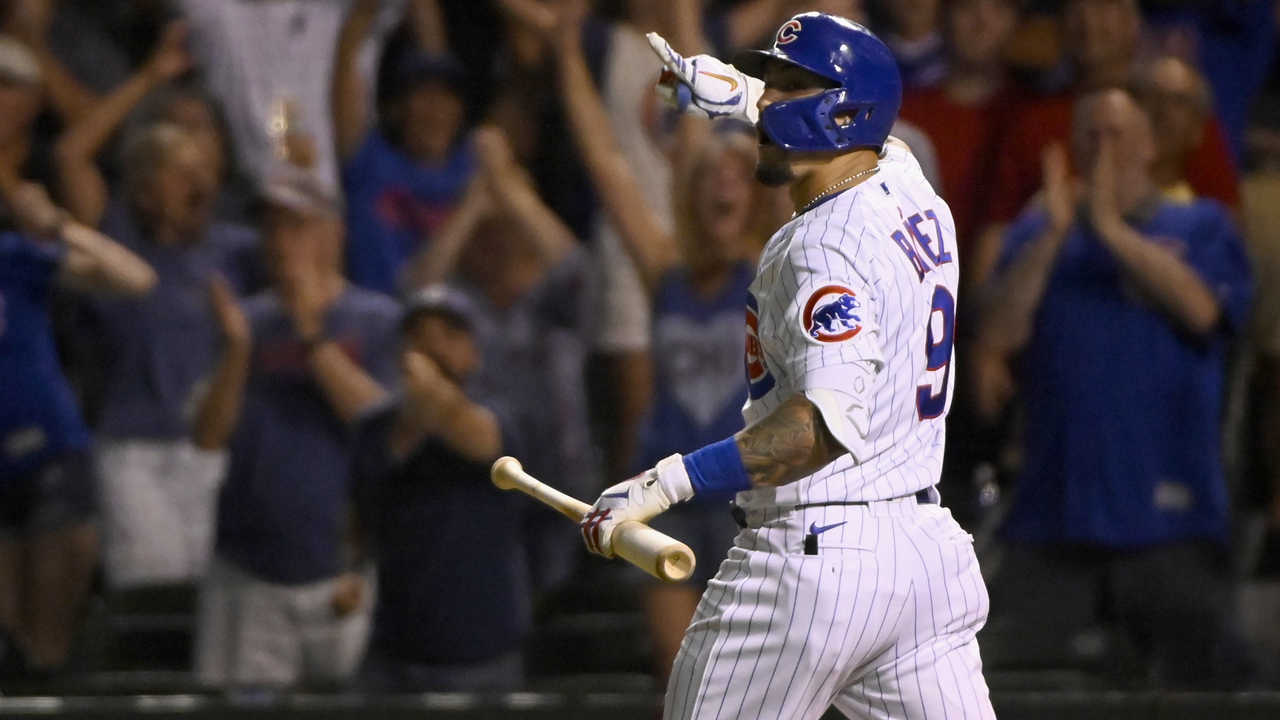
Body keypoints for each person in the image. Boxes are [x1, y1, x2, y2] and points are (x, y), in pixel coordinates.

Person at [581, 13, 995, 718]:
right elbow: (872, 130)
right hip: (923, 561)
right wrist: (738, 95)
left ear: (844, 112)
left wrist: (664, 483)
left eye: (789, 87)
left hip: (816, 557)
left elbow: (816, 430)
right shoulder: (909, 181)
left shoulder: (821, 246)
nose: (769, 102)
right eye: (769, 83)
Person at [978, 88, 1252, 688]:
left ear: (1150, 145)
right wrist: (1056, 235)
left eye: (1118, 133)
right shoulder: (1039, 234)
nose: (1104, 148)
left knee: (1201, 694)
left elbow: (1204, 310)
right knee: (1013, 688)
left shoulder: (1201, 226)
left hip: (1170, 521)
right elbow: (997, 333)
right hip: (1052, 515)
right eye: (1091, 135)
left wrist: (1107, 226)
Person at [555, 6, 780, 685]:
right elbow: (606, 162)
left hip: (749, 503)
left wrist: (685, 24)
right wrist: (566, 49)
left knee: (752, 680)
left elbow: (773, 155)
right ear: (689, 192)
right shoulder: (664, 269)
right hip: (670, 500)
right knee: (682, 671)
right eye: (709, 176)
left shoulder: (769, 268)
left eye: (736, 175)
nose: (723, 184)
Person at [55, 19, 260, 591]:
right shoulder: (117, 244)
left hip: (216, 451)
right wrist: (149, 77)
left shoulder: (235, 250)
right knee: (151, 596)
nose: (200, 185)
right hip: (135, 452)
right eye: (181, 173)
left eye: (205, 171)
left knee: (211, 600)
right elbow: (71, 155)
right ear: (146, 188)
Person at [190, 176, 399, 688]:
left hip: (348, 568)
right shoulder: (245, 322)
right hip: (249, 567)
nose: (281, 242)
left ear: (334, 234)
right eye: (271, 228)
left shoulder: (377, 319)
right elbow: (208, 436)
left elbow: (383, 426)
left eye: (296, 226)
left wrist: (311, 335)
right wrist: (237, 350)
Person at [0, 178, 157, 678]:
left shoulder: (12, 258)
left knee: (46, 651)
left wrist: (60, 227)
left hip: (47, 454)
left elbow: (135, 279)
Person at [978, 0, 1239, 290]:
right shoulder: (1033, 121)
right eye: (1075, 11)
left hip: (1160, 294)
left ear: (1134, 22)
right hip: (1057, 287)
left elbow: (1227, 241)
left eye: (1104, 8)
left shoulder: (1176, 114)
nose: (1089, 23)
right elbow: (996, 235)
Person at [349, 285, 530, 692]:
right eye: (420, 336)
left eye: (449, 335)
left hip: (480, 658)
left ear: (474, 353)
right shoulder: (373, 428)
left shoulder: (497, 417)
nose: (433, 346)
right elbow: (357, 513)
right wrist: (349, 572)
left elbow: (479, 440)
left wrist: (430, 390)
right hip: (391, 654)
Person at [333, 0, 473, 296]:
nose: (435, 110)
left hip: (452, 317)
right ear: (397, 109)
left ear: (460, 112)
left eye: (445, 97)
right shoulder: (370, 161)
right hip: (376, 313)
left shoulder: (474, 170)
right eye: (423, 96)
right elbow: (346, 60)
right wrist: (362, 16)